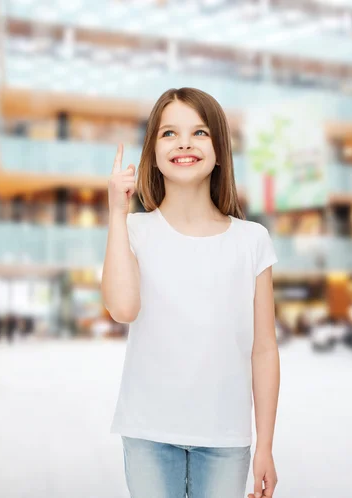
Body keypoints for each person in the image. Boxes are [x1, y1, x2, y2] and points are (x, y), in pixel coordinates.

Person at [103, 88, 280, 498]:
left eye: (199, 132)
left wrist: (265, 445)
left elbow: (264, 349)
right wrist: (116, 211)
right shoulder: (134, 231)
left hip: (225, 437)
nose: (184, 142)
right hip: (148, 431)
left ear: (219, 149)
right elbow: (123, 308)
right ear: (152, 151)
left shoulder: (251, 240)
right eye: (169, 133)